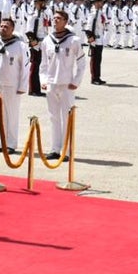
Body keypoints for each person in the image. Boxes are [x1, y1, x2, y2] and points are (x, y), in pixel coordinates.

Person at [40, 9, 85, 161]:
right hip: (52, 83)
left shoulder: (74, 40)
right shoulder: (47, 40)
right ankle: (55, 148)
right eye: (54, 18)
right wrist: (43, 80)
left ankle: (66, 150)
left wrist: (76, 81)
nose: (55, 21)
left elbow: (81, 63)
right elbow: (44, 64)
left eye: (59, 18)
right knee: (53, 117)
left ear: (65, 22)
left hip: (67, 84)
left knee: (67, 117)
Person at [0, 16, 30, 154]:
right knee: (0, 116)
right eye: (1, 26)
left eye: (6, 27)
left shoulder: (20, 46)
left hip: (12, 85)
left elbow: (26, 66)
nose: (3, 29)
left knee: (12, 116)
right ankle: (1, 142)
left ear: (12, 29)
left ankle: (11, 144)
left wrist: (23, 86)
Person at [86, 0, 107, 85]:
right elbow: (88, 27)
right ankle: (94, 78)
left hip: (100, 39)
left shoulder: (100, 12)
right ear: (96, 3)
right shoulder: (93, 13)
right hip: (95, 39)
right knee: (94, 60)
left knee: (98, 59)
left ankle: (98, 77)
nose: (101, 3)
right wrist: (90, 37)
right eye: (100, 2)